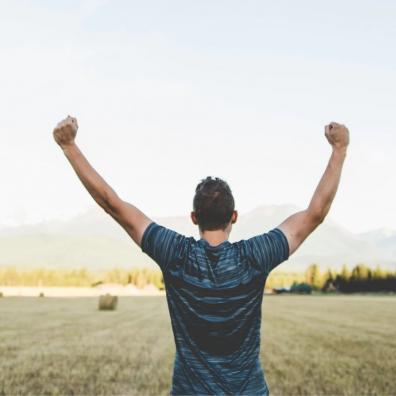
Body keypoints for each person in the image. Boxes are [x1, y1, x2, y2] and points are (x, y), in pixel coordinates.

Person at [53, 116, 349, 395]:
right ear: (234, 216)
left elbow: (112, 204)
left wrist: (69, 146)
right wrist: (339, 149)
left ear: (194, 217)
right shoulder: (254, 257)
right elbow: (315, 214)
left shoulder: (175, 254)